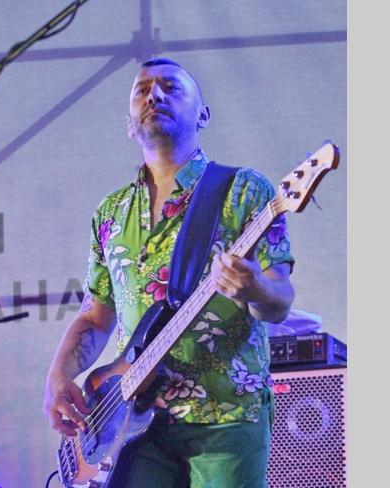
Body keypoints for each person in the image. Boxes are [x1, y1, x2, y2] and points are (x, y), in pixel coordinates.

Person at [43, 58, 295, 488]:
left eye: (170, 87)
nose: (154, 95)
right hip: (132, 425)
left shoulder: (245, 190)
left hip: (225, 414)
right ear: (129, 124)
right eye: (142, 89)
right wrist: (59, 375)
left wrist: (255, 289)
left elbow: (280, 300)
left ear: (203, 114)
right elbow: (95, 316)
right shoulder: (110, 212)